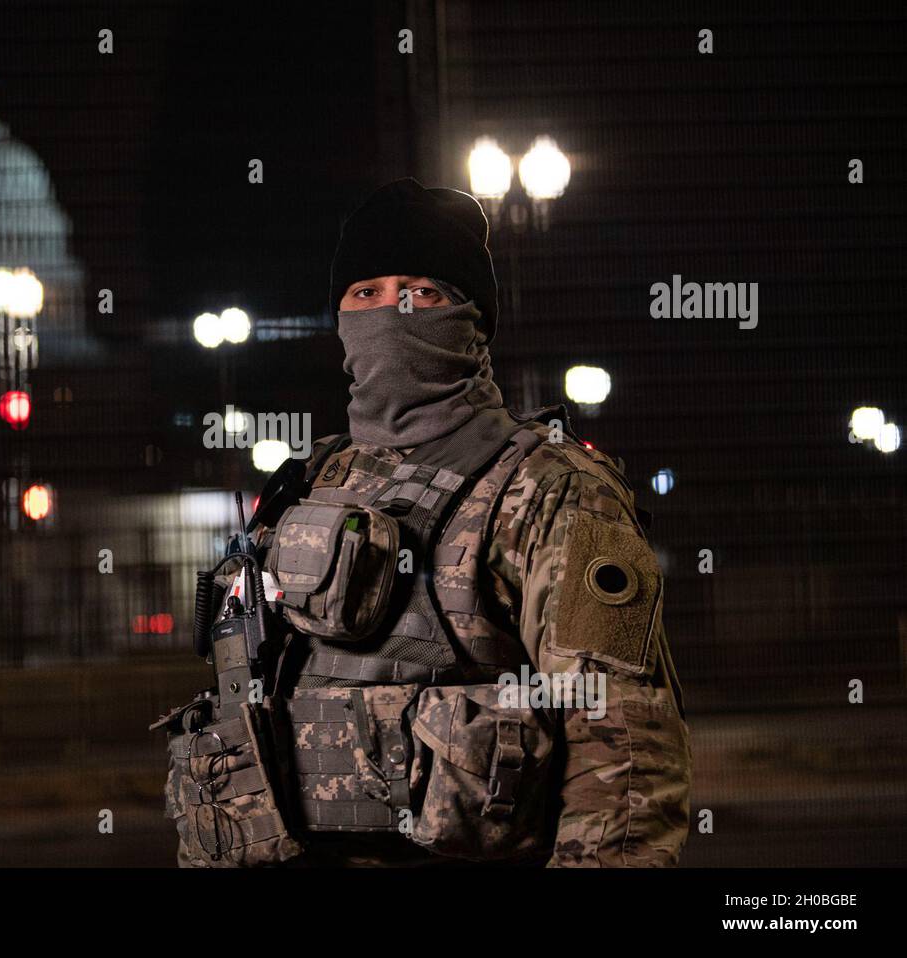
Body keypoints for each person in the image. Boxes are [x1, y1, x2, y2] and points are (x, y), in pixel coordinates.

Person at [166, 177, 691, 867]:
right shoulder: (309, 483)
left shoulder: (554, 490)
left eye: (422, 292)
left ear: (473, 314)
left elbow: (626, 752)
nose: (392, 310)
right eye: (366, 293)